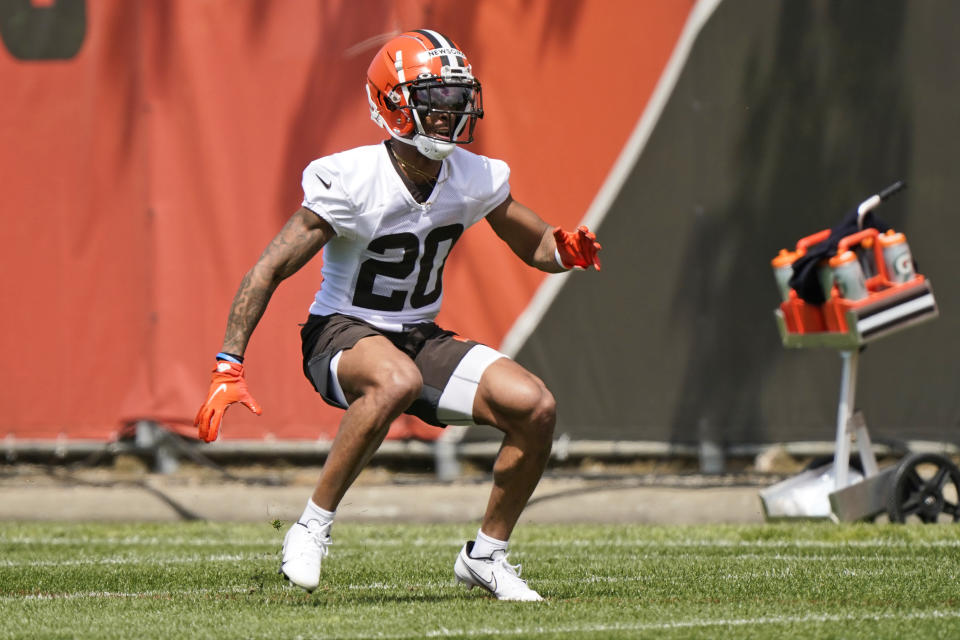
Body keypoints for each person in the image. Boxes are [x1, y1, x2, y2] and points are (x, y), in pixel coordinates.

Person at [194, 29, 601, 602]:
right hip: (340, 332)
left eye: (456, 101)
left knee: (535, 408)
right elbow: (267, 269)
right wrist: (228, 364)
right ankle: (311, 528)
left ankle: (486, 556)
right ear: (392, 101)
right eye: (433, 100)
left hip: (417, 335)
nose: (448, 114)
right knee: (396, 380)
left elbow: (536, 245)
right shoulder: (353, 178)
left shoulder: (472, 175)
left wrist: (565, 252)